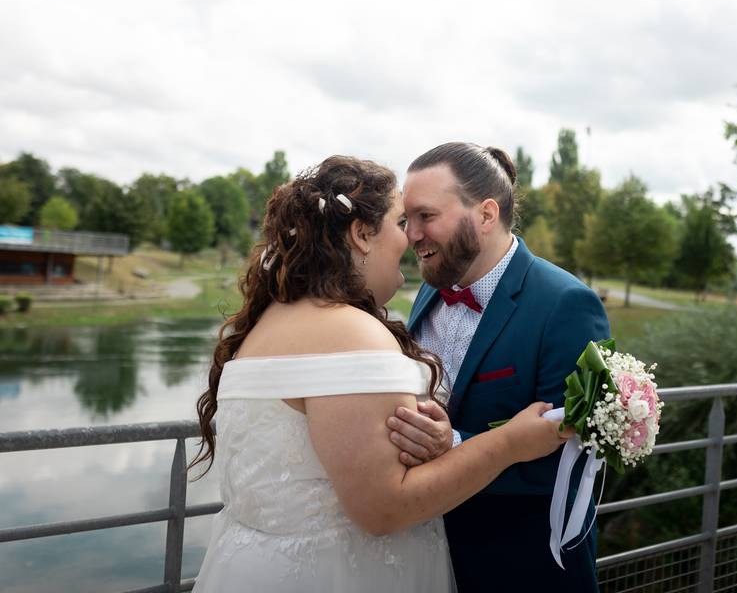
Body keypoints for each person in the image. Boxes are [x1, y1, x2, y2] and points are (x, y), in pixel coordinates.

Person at [190, 155, 571, 593]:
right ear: (361, 235)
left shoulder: (266, 322)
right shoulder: (352, 333)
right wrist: (509, 442)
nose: (410, 237)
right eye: (400, 221)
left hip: (250, 565)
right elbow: (384, 509)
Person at [388, 142, 610, 592]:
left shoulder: (566, 304)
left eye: (426, 216)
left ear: (486, 214)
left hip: (522, 566)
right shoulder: (431, 290)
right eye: (406, 219)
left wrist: (450, 444)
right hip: (425, 554)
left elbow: (571, 457)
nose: (411, 234)